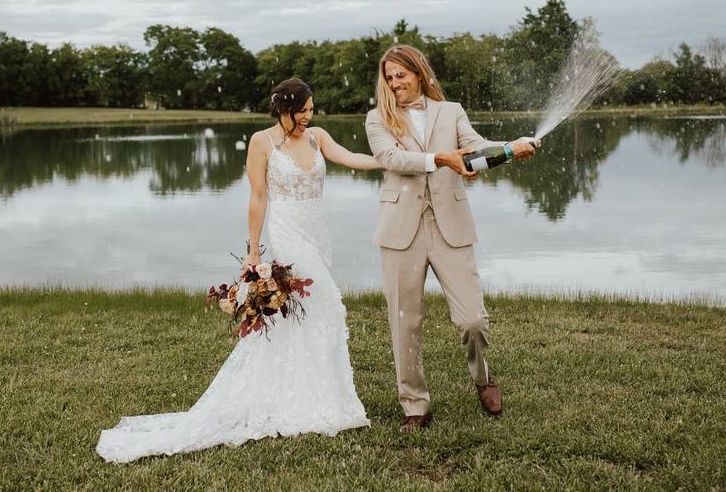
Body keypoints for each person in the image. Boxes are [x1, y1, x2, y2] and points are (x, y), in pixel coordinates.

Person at [97, 78, 379, 462]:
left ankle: (306, 391)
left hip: (318, 232)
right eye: (304, 110)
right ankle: (317, 398)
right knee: (328, 303)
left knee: (307, 316)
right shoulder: (262, 142)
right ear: (285, 109)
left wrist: (387, 161)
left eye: (312, 109)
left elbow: (349, 157)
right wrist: (253, 251)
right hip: (288, 233)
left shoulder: (317, 137)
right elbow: (258, 196)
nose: (309, 116)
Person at [365, 44, 539, 431]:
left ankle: (483, 377)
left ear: (419, 73)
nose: (394, 84)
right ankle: (415, 405)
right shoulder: (377, 118)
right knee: (404, 322)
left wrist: (511, 150)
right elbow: (392, 159)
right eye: (389, 77)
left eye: (401, 75)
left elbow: (474, 148)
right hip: (400, 230)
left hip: (451, 225)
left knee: (472, 319)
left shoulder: (451, 111)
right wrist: (441, 159)